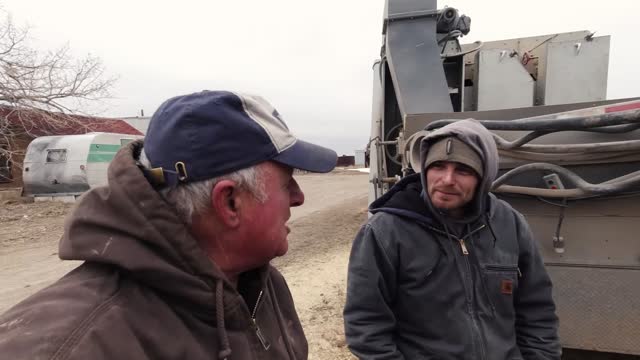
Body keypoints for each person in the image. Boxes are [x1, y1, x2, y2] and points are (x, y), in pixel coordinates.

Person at [0, 90, 337, 359]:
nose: (299, 197)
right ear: (230, 202)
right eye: (286, 183)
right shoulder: (72, 346)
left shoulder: (261, 284)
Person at [343, 119, 560, 359]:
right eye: (438, 166)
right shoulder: (385, 231)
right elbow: (366, 326)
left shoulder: (510, 223)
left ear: (483, 177)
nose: (447, 179)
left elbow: (537, 312)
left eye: (463, 170)